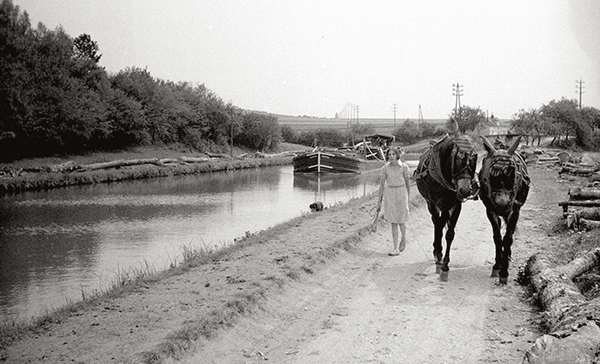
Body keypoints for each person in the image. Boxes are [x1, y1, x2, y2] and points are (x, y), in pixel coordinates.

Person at [376, 147, 411, 256]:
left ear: (397, 155)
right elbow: (381, 186)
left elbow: (408, 184)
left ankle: (403, 239)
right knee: (393, 222)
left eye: (393, 154)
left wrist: (408, 198)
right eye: (389, 154)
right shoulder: (385, 168)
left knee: (401, 221)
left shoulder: (404, 167)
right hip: (390, 194)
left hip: (401, 193)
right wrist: (379, 201)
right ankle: (395, 248)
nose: (391, 156)